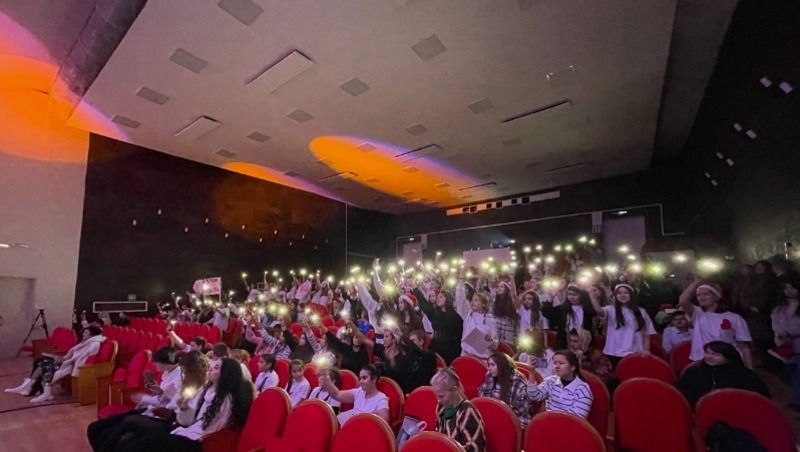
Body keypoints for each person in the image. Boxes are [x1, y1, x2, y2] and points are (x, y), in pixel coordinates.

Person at [117, 358, 253, 452]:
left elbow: (208, 429)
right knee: (131, 437)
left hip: (198, 441)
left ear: (226, 374)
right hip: (187, 430)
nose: (211, 369)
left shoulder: (225, 399)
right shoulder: (208, 388)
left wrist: (182, 421)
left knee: (144, 440)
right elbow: (190, 420)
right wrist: (184, 408)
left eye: (216, 367)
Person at [88, 350, 208, 452]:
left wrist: (182, 408)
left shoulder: (199, 389)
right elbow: (171, 403)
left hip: (172, 423)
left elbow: (185, 419)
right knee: (104, 430)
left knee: (129, 426)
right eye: (183, 372)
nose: (183, 376)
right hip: (163, 414)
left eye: (185, 372)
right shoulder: (184, 384)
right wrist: (160, 393)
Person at [6, 326, 106, 402]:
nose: (83, 334)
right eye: (84, 332)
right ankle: (32, 387)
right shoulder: (85, 342)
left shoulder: (94, 344)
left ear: (92, 335)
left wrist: (64, 360)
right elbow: (72, 355)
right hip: (69, 362)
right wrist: (61, 358)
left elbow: (81, 358)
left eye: (86, 333)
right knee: (43, 362)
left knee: (47, 365)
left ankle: (38, 390)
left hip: (75, 366)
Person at [679, 280, 754, 368]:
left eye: (706, 294)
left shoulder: (735, 318)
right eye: (698, 295)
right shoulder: (698, 314)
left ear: (716, 297)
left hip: (727, 361)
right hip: (702, 360)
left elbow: (744, 347)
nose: (701, 298)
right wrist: (697, 282)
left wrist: (749, 369)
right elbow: (683, 301)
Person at [677, 341, 770, 408]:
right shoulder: (694, 372)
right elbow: (681, 397)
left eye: (716, 354)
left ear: (728, 357)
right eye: (707, 353)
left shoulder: (744, 375)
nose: (709, 357)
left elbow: (759, 399)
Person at [590, 284, 656, 367]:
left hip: (634, 351)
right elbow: (599, 310)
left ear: (631, 295)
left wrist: (646, 349)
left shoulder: (641, 311)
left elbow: (646, 332)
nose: (622, 295)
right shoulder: (611, 310)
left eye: (626, 293)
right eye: (619, 293)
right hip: (613, 351)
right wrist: (592, 296)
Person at [430, 368, 487, 452]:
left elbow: (475, 448)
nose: (438, 400)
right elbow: (439, 436)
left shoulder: (468, 412)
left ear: (455, 390)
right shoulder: (440, 407)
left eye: (441, 396)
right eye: (436, 395)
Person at [526, 350, 593, 418]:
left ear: (573, 367)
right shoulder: (551, 381)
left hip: (568, 423)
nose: (556, 366)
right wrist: (531, 373)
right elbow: (534, 396)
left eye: (561, 363)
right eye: (555, 363)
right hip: (549, 420)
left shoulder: (582, 389)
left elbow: (575, 419)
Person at [320, 364, 390, 426]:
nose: (360, 382)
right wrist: (328, 383)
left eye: (364, 378)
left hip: (357, 429)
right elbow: (337, 395)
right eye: (360, 378)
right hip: (342, 422)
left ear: (374, 379)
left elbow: (383, 425)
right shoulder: (359, 391)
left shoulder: (381, 399)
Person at [477, 352, 532, 430]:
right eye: (489, 365)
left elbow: (521, 407)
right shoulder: (491, 376)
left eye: (492, 365)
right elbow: (483, 399)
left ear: (502, 366)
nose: (489, 368)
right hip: (495, 416)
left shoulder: (518, 380)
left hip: (515, 418)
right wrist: (488, 381)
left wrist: (501, 416)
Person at [769, 273, 800, 410]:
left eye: (792, 287)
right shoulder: (779, 308)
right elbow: (775, 322)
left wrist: (790, 333)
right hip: (786, 346)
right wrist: (781, 333)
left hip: (797, 343)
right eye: (786, 288)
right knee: (791, 375)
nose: (789, 291)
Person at [414, 286, 463, 364]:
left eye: (441, 297)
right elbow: (424, 304)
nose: (438, 299)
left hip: (450, 349)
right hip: (435, 346)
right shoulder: (435, 314)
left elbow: (459, 335)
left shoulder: (456, 317)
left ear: (447, 299)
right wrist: (415, 289)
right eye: (437, 297)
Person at [543, 284, 596, 349]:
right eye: (569, 294)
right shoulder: (562, 309)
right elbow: (547, 313)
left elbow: (595, 313)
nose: (571, 297)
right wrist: (550, 300)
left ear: (581, 296)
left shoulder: (586, 309)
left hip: (583, 341)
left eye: (574, 295)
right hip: (564, 341)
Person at [454, 284, 498, 359]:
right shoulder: (467, 316)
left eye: (476, 300)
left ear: (483, 304)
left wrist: (490, 340)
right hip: (465, 356)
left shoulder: (490, 321)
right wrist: (461, 282)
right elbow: (460, 299)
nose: (472, 302)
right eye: (472, 300)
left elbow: (495, 346)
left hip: (482, 359)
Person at [492, 281, 520, 346]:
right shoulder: (494, 303)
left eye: (502, 287)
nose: (499, 288)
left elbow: (514, 295)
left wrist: (512, 278)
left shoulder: (511, 303)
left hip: (508, 336)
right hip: (497, 336)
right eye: (498, 287)